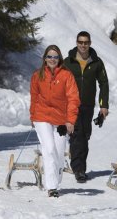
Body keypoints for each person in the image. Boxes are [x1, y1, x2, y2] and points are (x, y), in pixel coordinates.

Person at [30, 45, 80, 197]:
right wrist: (33, 116)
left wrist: (70, 120)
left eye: (55, 57)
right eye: (49, 56)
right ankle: (51, 187)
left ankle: (56, 179)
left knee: (58, 153)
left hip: (60, 120)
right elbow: (34, 97)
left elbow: (73, 98)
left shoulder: (66, 75)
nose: (52, 59)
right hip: (42, 117)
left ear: (60, 59)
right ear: (45, 58)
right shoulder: (37, 76)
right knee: (49, 149)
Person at [64, 31, 109, 183]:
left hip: (88, 105)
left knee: (85, 135)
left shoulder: (96, 62)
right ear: (76, 43)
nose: (83, 45)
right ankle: (79, 169)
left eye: (86, 42)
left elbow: (103, 83)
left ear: (90, 43)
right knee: (77, 135)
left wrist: (103, 105)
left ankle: (78, 163)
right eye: (80, 42)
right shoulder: (68, 61)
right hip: (71, 104)